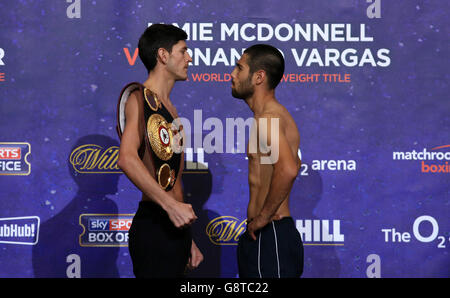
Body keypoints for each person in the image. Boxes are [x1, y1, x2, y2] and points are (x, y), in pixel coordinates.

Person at [116, 24, 203, 278]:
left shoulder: (171, 108)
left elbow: (174, 182)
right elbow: (127, 158)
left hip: (173, 228)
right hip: (154, 225)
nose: (189, 58)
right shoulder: (139, 99)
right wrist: (169, 206)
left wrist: (187, 238)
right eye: (183, 51)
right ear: (163, 56)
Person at [231, 44, 304, 278]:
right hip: (270, 236)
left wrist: (262, 218)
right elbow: (294, 163)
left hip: (269, 235)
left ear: (259, 77)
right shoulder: (275, 116)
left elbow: (290, 169)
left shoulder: (268, 118)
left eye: (239, 68)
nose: (232, 75)